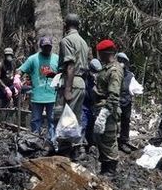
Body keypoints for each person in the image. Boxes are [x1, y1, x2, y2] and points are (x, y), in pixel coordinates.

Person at [54, 14, 90, 156]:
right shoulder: (83, 42)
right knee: (75, 117)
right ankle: (78, 147)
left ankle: (65, 151)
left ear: (65, 25)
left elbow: (70, 65)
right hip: (80, 83)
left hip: (71, 81)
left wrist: (67, 90)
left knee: (63, 117)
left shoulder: (66, 41)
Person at [16, 37, 59, 140]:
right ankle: (35, 141)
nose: (47, 49)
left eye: (49, 47)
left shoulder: (56, 59)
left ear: (51, 47)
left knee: (52, 120)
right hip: (37, 96)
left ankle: (52, 142)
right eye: (45, 47)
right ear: (41, 47)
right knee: (36, 120)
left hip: (52, 96)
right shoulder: (33, 59)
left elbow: (62, 73)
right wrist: (17, 77)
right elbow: (20, 70)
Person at [93, 40, 124, 175]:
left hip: (108, 110)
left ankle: (111, 169)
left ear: (105, 53)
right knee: (102, 140)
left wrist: (104, 113)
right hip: (101, 106)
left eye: (100, 53)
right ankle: (105, 167)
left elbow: (114, 94)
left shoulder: (114, 70)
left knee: (109, 139)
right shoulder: (106, 68)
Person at [116, 52, 135, 154]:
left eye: (123, 61)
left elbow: (135, 88)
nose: (121, 63)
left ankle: (123, 141)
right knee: (113, 122)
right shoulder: (113, 72)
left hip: (126, 101)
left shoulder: (130, 75)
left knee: (125, 122)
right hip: (115, 101)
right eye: (119, 60)